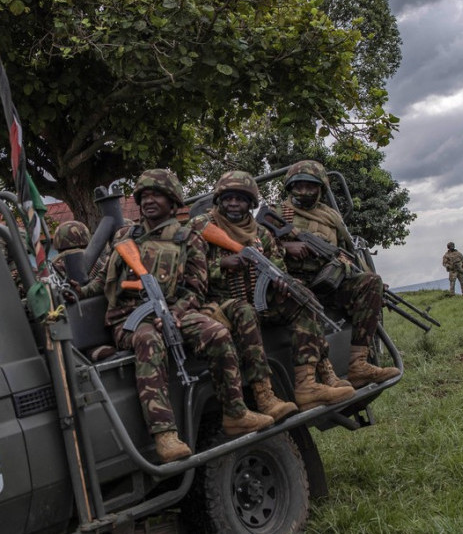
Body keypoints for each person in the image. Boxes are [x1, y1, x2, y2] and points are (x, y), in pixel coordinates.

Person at [83, 169, 273, 463]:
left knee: (217, 333)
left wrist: (173, 313)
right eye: (144, 196)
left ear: (172, 202)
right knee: (149, 339)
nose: (148, 201)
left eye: (156, 195)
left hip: (174, 311)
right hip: (128, 320)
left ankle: (235, 412)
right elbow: (102, 280)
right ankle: (165, 434)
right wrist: (78, 291)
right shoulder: (125, 236)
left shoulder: (188, 238)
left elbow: (197, 290)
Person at [190, 171, 355, 414]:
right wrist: (221, 266)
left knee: (302, 298)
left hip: (261, 301)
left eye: (240, 198)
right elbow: (188, 271)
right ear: (219, 200)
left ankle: (308, 383)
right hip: (219, 302)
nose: (234, 203)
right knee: (244, 311)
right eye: (228, 198)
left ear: (251, 203)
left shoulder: (262, 234)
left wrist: (282, 282)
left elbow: (278, 266)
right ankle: (264, 393)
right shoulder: (202, 227)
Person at [273, 160, 399, 388]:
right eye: (299, 186)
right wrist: (286, 248)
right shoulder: (279, 214)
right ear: (290, 187)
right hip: (295, 286)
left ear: (321, 188)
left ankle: (359, 364)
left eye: (311, 186)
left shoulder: (330, 216)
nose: (304, 191)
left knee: (372, 283)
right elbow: (259, 247)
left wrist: (369, 278)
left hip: (330, 284)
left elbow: (348, 251)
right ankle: (314, 379)